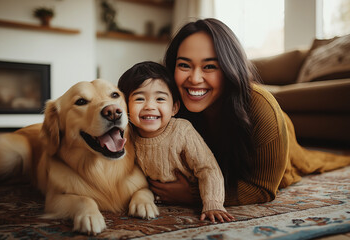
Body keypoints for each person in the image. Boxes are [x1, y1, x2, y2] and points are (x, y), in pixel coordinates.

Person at [147, 18, 350, 206]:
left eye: (209, 66)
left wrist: (195, 194)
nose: (195, 78)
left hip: (282, 134)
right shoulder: (169, 103)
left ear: (229, 68)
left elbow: (262, 188)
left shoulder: (261, 108)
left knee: (312, 162)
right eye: (184, 65)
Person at [117, 61, 234, 223]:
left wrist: (212, 203)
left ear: (174, 108)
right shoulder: (128, 134)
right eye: (139, 99)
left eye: (160, 98)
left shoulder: (182, 131)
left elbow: (208, 169)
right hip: (154, 200)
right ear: (126, 107)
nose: (150, 106)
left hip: (193, 195)